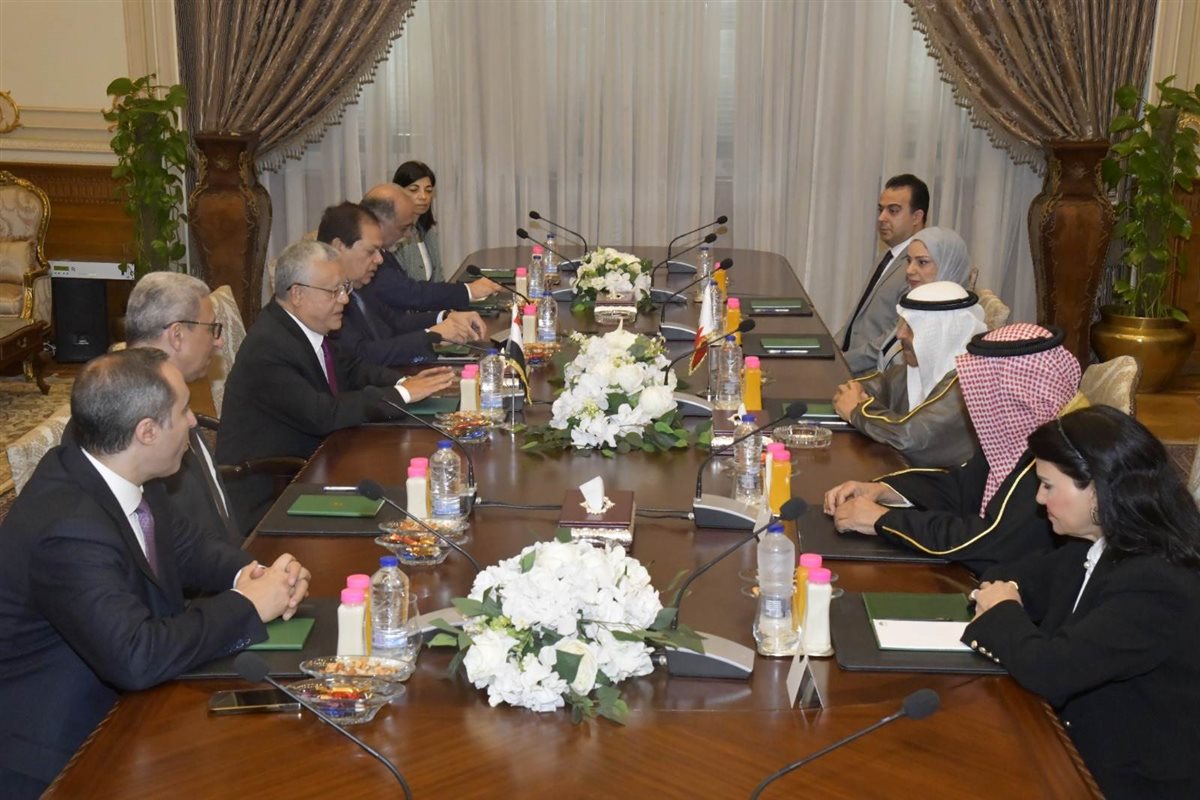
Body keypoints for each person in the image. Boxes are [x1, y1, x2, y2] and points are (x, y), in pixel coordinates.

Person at [0, 349, 310, 797]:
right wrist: (246, 605)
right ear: (146, 431)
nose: (194, 422)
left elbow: (189, 549)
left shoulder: (125, 473)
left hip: (133, 708)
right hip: (65, 755)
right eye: (183, 411)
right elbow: (136, 656)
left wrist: (255, 574)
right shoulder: (68, 530)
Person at [965, 406, 1200, 798]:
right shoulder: (1097, 544)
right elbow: (1006, 576)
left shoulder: (1159, 582)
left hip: (1124, 782)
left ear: (1097, 488)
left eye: (1048, 485)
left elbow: (1052, 670)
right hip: (1070, 747)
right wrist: (1005, 597)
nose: (1039, 498)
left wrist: (1003, 608)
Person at [216, 240, 456, 534]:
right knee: (400, 513)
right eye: (334, 292)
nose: (344, 299)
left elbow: (353, 369)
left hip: (319, 463)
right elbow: (322, 414)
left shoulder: (305, 326)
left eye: (345, 288)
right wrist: (402, 395)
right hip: (275, 492)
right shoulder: (269, 347)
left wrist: (404, 383)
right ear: (297, 294)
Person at [824, 323, 1082, 574]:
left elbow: (985, 541)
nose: (974, 401)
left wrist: (883, 520)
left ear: (1016, 395)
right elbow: (960, 487)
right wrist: (884, 490)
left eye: (985, 390)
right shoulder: (1015, 436)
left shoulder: (1051, 464)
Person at [112, 272, 241, 543]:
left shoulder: (171, 398)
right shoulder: (132, 422)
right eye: (212, 329)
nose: (219, 341)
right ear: (177, 335)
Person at [833, 281, 986, 467]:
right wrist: (854, 395)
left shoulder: (969, 384)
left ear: (941, 334)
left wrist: (857, 411)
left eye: (911, 328)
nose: (900, 335)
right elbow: (875, 386)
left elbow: (911, 438)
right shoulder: (919, 365)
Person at [317, 202, 485, 367]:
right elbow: (362, 355)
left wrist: (446, 317)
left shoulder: (361, 286)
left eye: (379, 251)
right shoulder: (324, 300)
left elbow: (395, 324)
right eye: (370, 251)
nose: (379, 259)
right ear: (338, 247)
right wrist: (431, 336)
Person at [360, 183, 505, 313]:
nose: (409, 234)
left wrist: (444, 318)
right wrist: (468, 291)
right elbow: (408, 293)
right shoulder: (366, 259)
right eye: (403, 228)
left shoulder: (385, 252)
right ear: (379, 222)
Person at [836, 173, 928, 374]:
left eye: (893, 211)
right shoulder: (887, 256)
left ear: (916, 217)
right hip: (846, 363)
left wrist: (841, 362)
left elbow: (894, 336)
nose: (881, 218)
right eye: (881, 210)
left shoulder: (919, 268)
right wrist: (831, 350)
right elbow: (856, 319)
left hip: (871, 377)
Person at [868, 226, 973, 371]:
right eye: (909, 261)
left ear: (948, 265)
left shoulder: (954, 323)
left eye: (922, 262)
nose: (909, 270)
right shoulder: (916, 306)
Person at [392, 160, 443, 282]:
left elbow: (439, 279)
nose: (423, 196)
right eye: (414, 190)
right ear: (398, 192)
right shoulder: (393, 235)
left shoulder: (427, 231)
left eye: (428, 190)